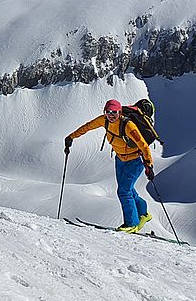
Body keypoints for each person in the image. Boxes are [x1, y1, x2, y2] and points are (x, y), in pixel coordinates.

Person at [64, 99, 154, 233]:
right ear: (104, 112)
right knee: (128, 189)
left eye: (114, 112)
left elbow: (143, 145)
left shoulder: (128, 126)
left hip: (135, 161)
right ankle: (144, 214)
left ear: (120, 112)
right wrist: (71, 137)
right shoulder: (103, 120)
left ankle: (132, 224)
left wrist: (149, 165)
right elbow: (88, 127)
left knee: (123, 191)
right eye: (108, 112)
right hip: (120, 160)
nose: (111, 115)